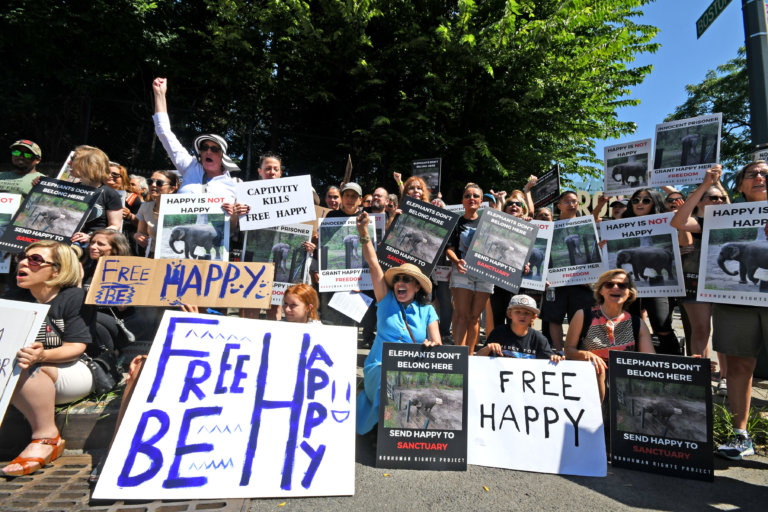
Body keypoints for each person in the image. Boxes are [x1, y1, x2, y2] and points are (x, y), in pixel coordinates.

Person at [1, 241, 94, 476]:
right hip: (29, 374)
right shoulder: (14, 298)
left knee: (23, 364)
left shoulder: (74, 297)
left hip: (74, 369)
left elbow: (76, 346)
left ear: (58, 270)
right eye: (23, 257)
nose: (23, 262)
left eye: (35, 260)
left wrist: (42, 355)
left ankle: (46, 436)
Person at [355, 211, 441, 435]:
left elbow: (437, 343)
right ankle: (383, 433)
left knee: (415, 388)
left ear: (417, 287)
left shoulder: (428, 311)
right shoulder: (385, 300)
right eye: (398, 279)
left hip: (413, 370)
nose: (401, 283)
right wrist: (363, 232)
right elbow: (374, 266)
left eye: (407, 280)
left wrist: (432, 345)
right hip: (378, 368)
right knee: (391, 380)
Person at [706, 162, 766, 460]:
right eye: (752, 174)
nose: (759, 177)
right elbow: (680, 223)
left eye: (765, 173)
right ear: (739, 186)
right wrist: (707, 184)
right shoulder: (723, 217)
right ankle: (740, 434)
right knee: (739, 365)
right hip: (737, 302)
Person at [671, 167, 730, 391]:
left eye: (721, 198)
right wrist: (705, 184)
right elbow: (678, 222)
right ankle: (700, 375)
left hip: (726, 282)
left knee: (725, 331)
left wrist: (718, 184)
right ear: (700, 201)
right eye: (711, 198)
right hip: (695, 280)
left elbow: (733, 208)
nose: (717, 201)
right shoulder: (696, 222)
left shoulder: (731, 219)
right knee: (702, 330)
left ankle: (725, 377)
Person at [565, 269, 654, 402]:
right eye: (609, 284)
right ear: (600, 290)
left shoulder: (638, 324)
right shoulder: (583, 316)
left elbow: (650, 361)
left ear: (629, 292)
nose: (616, 288)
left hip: (624, 385)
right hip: (589, 381)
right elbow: (568, 350)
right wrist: (585, 355)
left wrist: (690, 364)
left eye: (622, 285)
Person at [152, 77, 240, 202]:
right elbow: (164, 132)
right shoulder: (189, 166)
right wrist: (159, 94)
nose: (208, 152)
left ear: (223, 156)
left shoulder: (234, 185)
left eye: (214, 149)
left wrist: (234, 212)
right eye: (204, 148)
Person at [619, 187, 680, 355]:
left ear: (654, 203)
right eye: (636, 200)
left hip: (657, 282)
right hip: (631, 286)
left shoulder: (668, 221)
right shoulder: (620, 224)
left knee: (662, 325)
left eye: (646, 200)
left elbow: (685, 241)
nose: (640, 203)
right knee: (628, 325)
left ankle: (675, 363)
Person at [539, 191, 595, 349]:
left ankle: (577, 350)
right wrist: (543, 277)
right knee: (554, 318)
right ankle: (558, 351)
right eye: (568, 201)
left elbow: (594, 252)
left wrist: (593, 274)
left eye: (575, 201)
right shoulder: (550, 227)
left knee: (582, 318)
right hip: (556, 283)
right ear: (559, 205)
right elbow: (544, 253)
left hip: (582, 283)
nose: (572, 205)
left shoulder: (587, 225)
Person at [445, 183, 493, 354]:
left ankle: (471, 354)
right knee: (461, 315)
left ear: (481, 201)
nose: (471, 198)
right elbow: (449, 248)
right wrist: (456, 261)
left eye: (475, 196)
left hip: (484, 274)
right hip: (462, 272)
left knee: (474, 317)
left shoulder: (489, 223)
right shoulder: (456, 223)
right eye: (467, 196)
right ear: (463, 201)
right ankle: (459, 355)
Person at [477, 295, 562, 361]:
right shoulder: (498, 332)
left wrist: (555, 357)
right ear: (509, 314)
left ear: (534, 317)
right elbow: (477, 358)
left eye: (527, 313)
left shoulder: (539, 338)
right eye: (518, 312)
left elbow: (550, 359)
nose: (522, 316)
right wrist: (488, 348)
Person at [69, 145, 123, 244]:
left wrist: (91, 237)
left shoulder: (109, 194)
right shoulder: (72, 188)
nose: (69, 163)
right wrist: (38, 184)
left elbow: (115, 226)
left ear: (87, 165)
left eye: (73, 160)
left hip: (92, 248)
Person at [134, 170, 180, 257]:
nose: (153, 185)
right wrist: (138, 236)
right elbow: (140, 232)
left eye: (159, 183)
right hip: (153, 256)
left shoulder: (181, 209)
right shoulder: (145, 208)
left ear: (171, 189)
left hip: (176, 257)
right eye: (150, 181)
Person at [107, 163, 142, 255]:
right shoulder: (97, 193)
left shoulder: (132, 199)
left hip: (123, 239)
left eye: (115, 174)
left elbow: (141, 223)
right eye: (107, 172)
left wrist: (129, 216)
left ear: (123, 178)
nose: (110, 176)